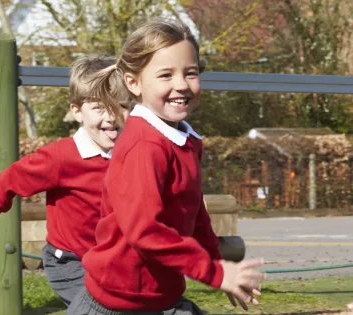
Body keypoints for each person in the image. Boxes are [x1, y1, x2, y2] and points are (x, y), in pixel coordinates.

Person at [67, 18, 265, 315]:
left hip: (159, 296)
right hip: (116, 304)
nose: (181, 85)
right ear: (134, 83)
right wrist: (214, 273)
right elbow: (144, 231)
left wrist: (218, 265)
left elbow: (194, 213)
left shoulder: (181, 139)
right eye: (165, 75)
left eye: (191, 73)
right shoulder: (144, 146)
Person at [0, 54, 132, 306]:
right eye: (99, 107)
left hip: (115, 261)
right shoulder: (60, 158)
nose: (111, 117)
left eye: (121, 106)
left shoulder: (134, 154)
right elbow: (9, 181)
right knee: (103, 306)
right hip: (71, 263)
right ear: (77, 111)